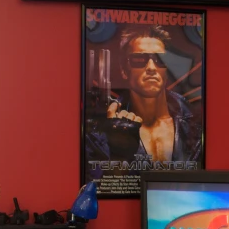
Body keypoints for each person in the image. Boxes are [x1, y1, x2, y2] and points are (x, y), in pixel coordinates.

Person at [85, 25, 202, 169]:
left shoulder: (194, 125)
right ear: (124, 70)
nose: (151, 67)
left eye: (160, 59)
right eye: (139, 59)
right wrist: (118, 153)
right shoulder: (101, 130)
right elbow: (99, 186)